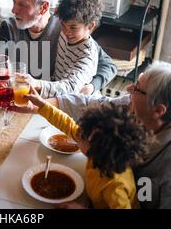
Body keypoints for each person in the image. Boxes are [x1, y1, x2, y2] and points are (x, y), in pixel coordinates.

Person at [13, 61, 171, 209]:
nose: (128, 88)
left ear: (159, 110)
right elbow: (92, 105)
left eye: (137, 89)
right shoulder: (133, 106)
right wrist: (42, 104)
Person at [0, 0, 117, 95]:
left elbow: (108, 65)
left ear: (44, 7)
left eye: (22, 5)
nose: (14, 10)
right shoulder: (7, 29)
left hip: (54, 103)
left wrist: (92, 86)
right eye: (14, 2)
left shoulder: (66, 29)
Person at [25, 88, 153, 208]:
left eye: (82, 134)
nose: (77, 133)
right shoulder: (99, 150)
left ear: (97, 147)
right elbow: (67, 124)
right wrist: (42, 105)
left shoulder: (115, 186)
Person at [29, 0, 102, 98]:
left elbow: (70, 88)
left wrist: (37, 83)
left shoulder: (87, 56)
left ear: (90, 26)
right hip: (59, 95)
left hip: (81, 106)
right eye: (63, 25)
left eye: (73, 28)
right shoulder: (65, 32)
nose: (66, 32)